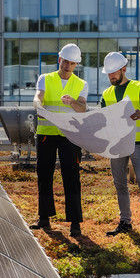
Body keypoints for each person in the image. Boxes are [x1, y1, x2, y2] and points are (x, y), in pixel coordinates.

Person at [100, 51, 140, 240]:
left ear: (123, 69)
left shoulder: (139, 87)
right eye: (109, 74)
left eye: (114, 73)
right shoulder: (106, 94)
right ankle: (125, 222)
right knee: (120, 184)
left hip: (137, 143)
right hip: (117, 144)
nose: (111, 77)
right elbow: (102, 118)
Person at [30, 43, 87, 236]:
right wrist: (39, 105)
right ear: (59, 59)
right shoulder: (45, 79)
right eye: (65, 61)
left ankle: (75, 223)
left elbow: (83, 109)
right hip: (47, 134)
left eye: (72, 63)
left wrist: (72, 102)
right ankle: (44, 218)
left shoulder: (81, 84)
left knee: (72, 177)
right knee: (44, 175)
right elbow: (38, 97)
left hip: (70, 136)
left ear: (76, 64)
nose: (67, 65)